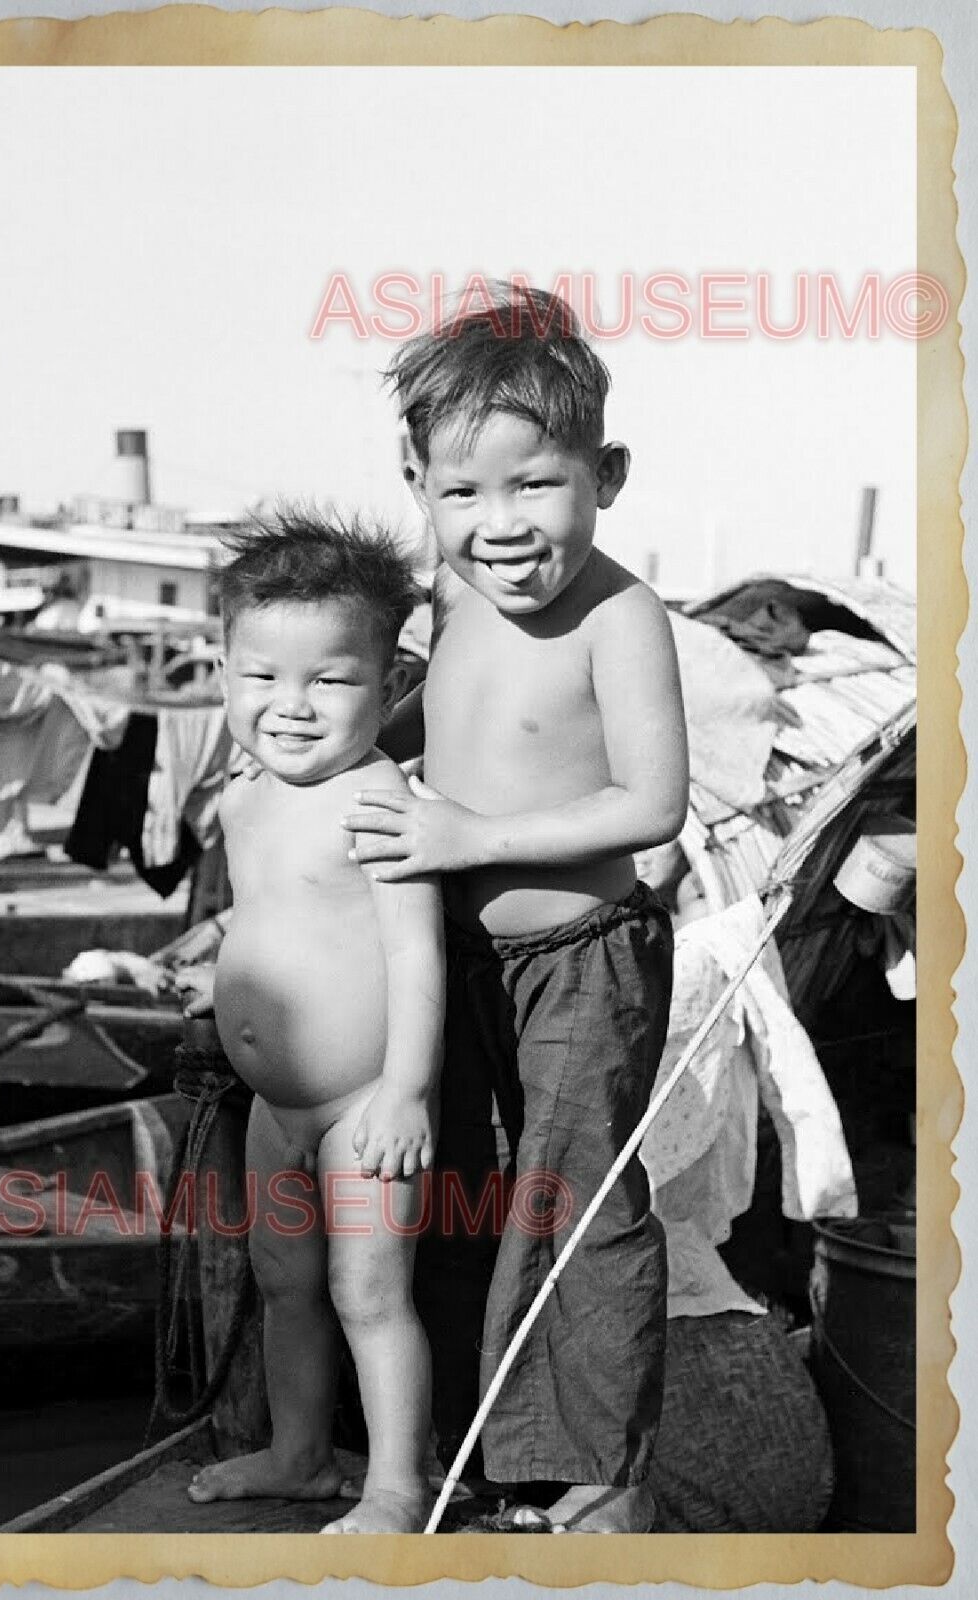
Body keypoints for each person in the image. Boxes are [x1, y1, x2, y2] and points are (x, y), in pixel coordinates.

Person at [345, 283, 690, 1532]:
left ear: (607, 472)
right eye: (461, 493)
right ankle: (461, 1457)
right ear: (414, 481)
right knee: (456, 1191)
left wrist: (474, 835)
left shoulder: (620, 614)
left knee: (575, 1203)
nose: (497, 525)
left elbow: (653, 802)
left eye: (535, 484)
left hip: (582, 961)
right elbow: (432, 725)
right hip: (455, 957)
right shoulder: (450, 602)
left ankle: (593, 1484)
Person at [180, 508, 445, 1534]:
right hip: (273, 1107)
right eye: (262, 677)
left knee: (370, 1292)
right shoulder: (246, 792)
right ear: (224, 667)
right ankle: (298, 1452)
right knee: (284, 1281)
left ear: (390, 684)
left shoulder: (376, 798)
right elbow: (266, 917)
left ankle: (393, 1486)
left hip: (359, 1105)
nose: (290, 707)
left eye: (329, 681)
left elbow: (411, 951)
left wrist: (407, 1090)